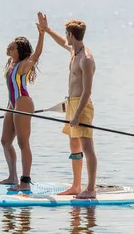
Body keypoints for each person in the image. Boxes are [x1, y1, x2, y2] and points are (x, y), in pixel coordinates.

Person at [38, 15, 98, 199]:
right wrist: (46, 30)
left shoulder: (86, 59)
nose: (66, 38)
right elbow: (61, 42)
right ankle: (76, 186)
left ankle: (91, 189)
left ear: (72, 35)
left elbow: (87, 91)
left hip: (82, 106)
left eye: (67, 35)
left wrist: (78, 114)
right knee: (74, 145)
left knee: (87, 147)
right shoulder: (74, 52)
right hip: (71, 104)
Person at [0, 12, 46, 192]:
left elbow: (37, 53)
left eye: (13, 47)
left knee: (23, 143)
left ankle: (25, 181)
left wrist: (42, 33)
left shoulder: (23, 64)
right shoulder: (10, 62)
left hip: (23, 103)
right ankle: (12, 177)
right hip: (12, 104)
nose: (9, 48)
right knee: (5, 141)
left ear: (19, 51)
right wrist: (10, 106)